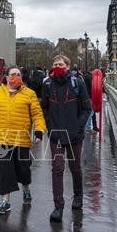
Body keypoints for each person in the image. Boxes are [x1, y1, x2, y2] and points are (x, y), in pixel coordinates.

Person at [0, 66, 47, 215]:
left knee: (23, 169)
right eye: (13, 74)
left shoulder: (29, 94)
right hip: (1, 138)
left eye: (18, 74)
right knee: (4, 171)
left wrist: (39, 131)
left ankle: (26, 188)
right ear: (7, 77)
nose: (16, 77)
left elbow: (37, 114)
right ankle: (5, 201)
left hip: (21, 139)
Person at [41, 54, 92, 222]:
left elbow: (87, 108)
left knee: (75, 167)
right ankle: (58, 206)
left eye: (61, 64)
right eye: (55, 64)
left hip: (74, 134)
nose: (58, 66)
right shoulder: (48, 84)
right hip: (56, 133)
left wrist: (78, 126)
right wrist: (49, 125)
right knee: (57, 168)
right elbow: (44, 108)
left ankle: (78, 195)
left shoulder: (77, 83)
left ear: (67, 66)